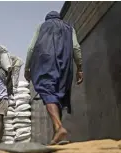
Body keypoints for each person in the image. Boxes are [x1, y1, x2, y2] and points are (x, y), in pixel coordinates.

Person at [24, 11, 83, 145]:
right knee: (58, 97)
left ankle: (59, 128)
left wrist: (27, 67)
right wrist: (79, 68)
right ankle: (57, 137)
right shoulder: (69, 28)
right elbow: (76, 47)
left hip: (46, 63)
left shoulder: (42, 26)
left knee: (47, 91)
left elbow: (31, 48)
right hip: (65, 65)